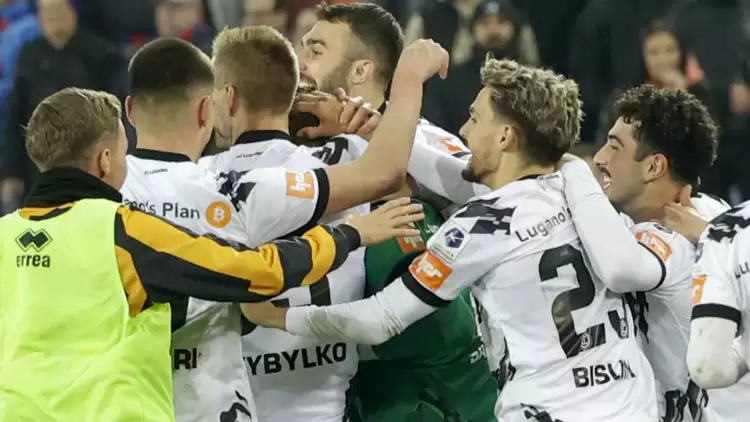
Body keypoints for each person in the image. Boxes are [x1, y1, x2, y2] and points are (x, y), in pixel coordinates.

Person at [243, 58, 659, 422]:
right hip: (633, 407)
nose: (464, 129)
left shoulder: (479, 226)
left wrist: (278, 317)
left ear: (505, 137)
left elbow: (380, 319)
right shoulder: (584, 198)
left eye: (475, 119)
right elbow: (454, 175)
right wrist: (376, 129)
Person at [0, 87, 413, 421]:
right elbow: (257, 273)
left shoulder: (4, 235)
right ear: (105, 161)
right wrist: (345, 236)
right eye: (124, 153)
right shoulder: (121, 231)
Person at [201, 25, 449, 422]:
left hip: (231, 398)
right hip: (327, 398)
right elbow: (449, 181)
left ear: (228, 97)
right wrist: (374, 118)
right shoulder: (350, 158)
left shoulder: (200, 180)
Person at [556, 85, 724, 422]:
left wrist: (573, 170)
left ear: (653, 167)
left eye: (614, 147)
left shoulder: (668, 234)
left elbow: (620, 269)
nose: (599, 158)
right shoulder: (713, 211)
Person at [298, 2, 471, 160]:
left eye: (316, 52)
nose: (299, 64)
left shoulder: (430, 142)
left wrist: (375, 133)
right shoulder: (287, 126)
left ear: (360, 71)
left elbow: (470, 180)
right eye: (302, 49)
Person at [0, 0, 126, 208]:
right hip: (37, 166)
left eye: (59, 9)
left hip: (88, 161)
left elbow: (115, 112)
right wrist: (10, 171)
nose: (53, 17)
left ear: (73, 13)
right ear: (39, 19)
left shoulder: (100, 54)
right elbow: (15, 114)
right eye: (47, 12)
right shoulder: (29, 55)